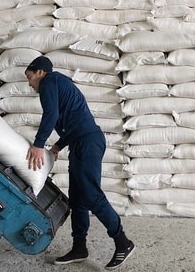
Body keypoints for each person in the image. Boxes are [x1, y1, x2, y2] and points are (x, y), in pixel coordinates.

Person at [24, 55, 135, 270]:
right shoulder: (59, 83)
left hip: (87, 143)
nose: (29, 84)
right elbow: (73, 121)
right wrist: (57, 146)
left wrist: (38, 145)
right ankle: (79, 248)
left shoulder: (49, 81)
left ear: (40, 72)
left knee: (92, 195)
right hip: (81, 141)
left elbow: (51, 114)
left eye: (30, 77)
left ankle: (123, 242)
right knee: (79, 200)